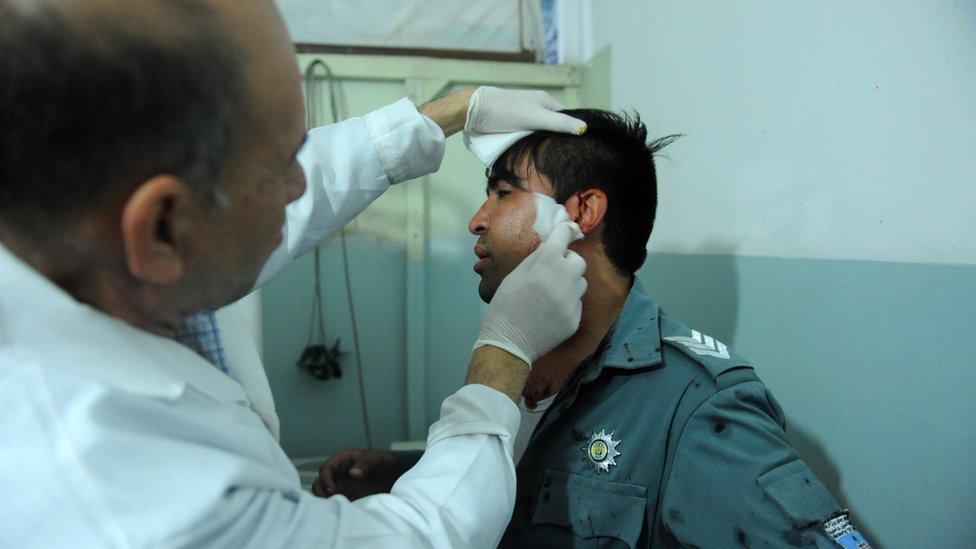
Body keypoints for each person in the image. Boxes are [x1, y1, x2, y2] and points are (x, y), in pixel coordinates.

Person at [0, 0, 589, 546]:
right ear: (162, 228)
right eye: (284, 162)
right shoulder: (109, 476)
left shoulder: (87, 248)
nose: (302, 183)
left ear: (585, 212)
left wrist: (455, 110)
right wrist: (502, 357)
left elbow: (280, 193)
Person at [319, 110, 873, 548]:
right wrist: (402, 473)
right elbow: (540, 474)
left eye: (504, 192)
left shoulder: (700, 409)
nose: (478, 219)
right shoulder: (522, 359)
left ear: (582, 212)